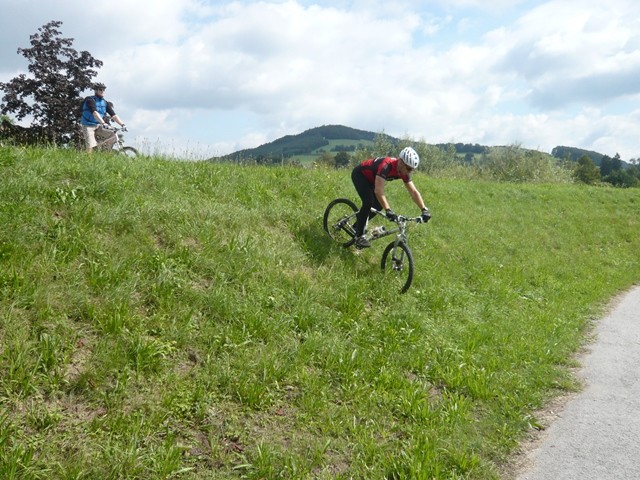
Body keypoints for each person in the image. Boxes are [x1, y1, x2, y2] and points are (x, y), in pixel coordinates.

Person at [351, 146, 431, 249]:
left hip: (372, 179)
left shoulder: (403, 171)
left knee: (378, 205)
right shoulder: (386, 166)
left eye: (411, 170)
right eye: (408, 168)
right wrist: (388, 210)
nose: (409, 172)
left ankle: (357, 226)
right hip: (360, 175)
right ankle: (359, 236)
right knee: (368, 202)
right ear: (401, 162)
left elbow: (414, 192)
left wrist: (424, 209)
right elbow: (379, 191)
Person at [79, 83, 127, 153]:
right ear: (96, 91)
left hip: (98, 125)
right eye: (100, 89)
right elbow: (95, 113)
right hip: (87, 125)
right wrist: (103, 123)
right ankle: (88, 158)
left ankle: (105, 152)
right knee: (90, 146)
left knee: (112, 135)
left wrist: (122, 124)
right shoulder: (90, 99)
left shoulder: (104, 102)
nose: (102, 91)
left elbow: (113, 115)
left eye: (104, 90)